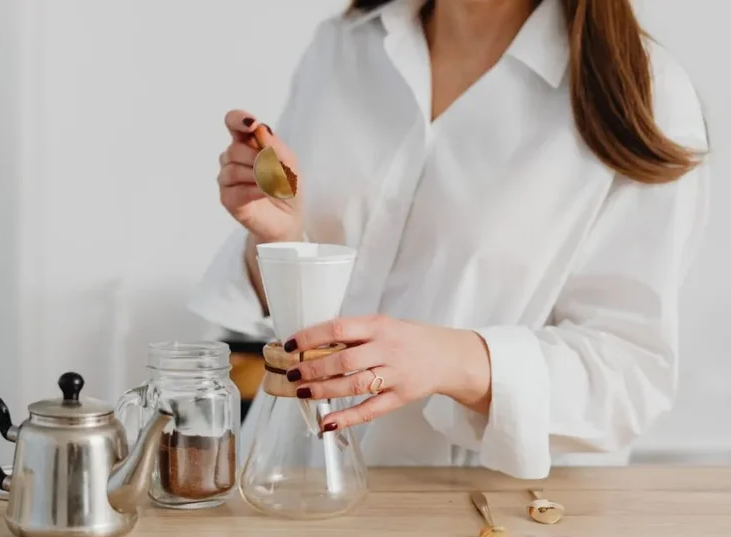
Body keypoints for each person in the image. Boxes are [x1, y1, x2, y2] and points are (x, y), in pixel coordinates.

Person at [187, 0, 711, 479]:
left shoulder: (647, 94)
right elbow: (291, 317)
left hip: (492, 514)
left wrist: (452, 358)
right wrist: (282, 239)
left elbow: (629, 378)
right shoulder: (344, 45)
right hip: (300, 476)